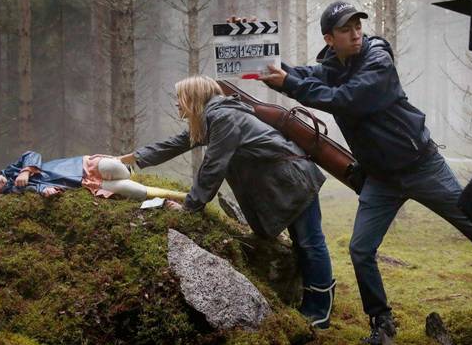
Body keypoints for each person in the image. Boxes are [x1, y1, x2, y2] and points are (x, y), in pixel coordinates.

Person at [252, 1, 472, 345]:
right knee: (361, 249)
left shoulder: (377, 59)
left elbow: (348, 99)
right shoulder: (333, 66)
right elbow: (298, 75)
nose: (356, 33)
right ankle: (382, 321)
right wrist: (253, 55)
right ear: (329, 38)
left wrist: (290, 83)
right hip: (381, 178)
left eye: (357, 25)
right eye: (346, 29)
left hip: (422, 166)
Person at [119, 75, 336, 328]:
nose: (177, 104)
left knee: (310, 243)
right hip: (287, 183)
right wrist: (128, 159)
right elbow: (176, 143)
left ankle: (319, 310)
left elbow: (213, 167)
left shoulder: (223, 117)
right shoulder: (214, 118)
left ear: (194, 97)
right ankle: (311, 305)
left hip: (294, 182)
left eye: (180, 98)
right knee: (305, 243)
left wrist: (190, 208)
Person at [0, 151, 185, 202]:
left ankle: (126, 169)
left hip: (79, 165)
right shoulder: (13, 195)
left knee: (116, 168)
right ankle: (181, 197)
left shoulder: (12, 171)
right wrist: (45, 191)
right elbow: (36, 189)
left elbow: (32, 154)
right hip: (82, 183)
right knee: (133, 191)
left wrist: (25, 171)